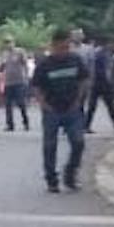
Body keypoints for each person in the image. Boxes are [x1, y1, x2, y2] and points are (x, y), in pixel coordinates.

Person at [31, 28, 90, 193]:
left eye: (66, 47)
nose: (63, 51)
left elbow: (84, 79)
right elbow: (36, 86)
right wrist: (43, 104)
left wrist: (79, 100)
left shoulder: (75, 60)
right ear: (53, 46)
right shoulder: (45, 64)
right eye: (60, 47)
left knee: (78, 142)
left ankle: (70, 173)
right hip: (52, 109)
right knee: (50, 145)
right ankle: (51, 179)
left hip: (72, 108)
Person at [85, 37, 114, 133]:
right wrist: (110, 82)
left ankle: (86, 125)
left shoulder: (97, 52)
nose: (112, 46)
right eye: (111, 44)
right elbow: (106, 69)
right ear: (107, 44)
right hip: (102, 83)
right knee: (109, 105)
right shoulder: (103, 53)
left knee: (94, 106)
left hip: (96, 83)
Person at [0, 36, 30, 132]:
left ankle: (25, 122)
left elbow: (25, 64)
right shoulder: (4, 54)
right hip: (8, 82)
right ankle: (10, 124)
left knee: (21, 103)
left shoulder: (20, 51)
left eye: (9, 42)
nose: (8, 44)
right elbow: (2, 67)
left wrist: (26, 76)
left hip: (19, 81)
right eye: (6, 42)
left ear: (13, 42)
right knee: (8, 104)